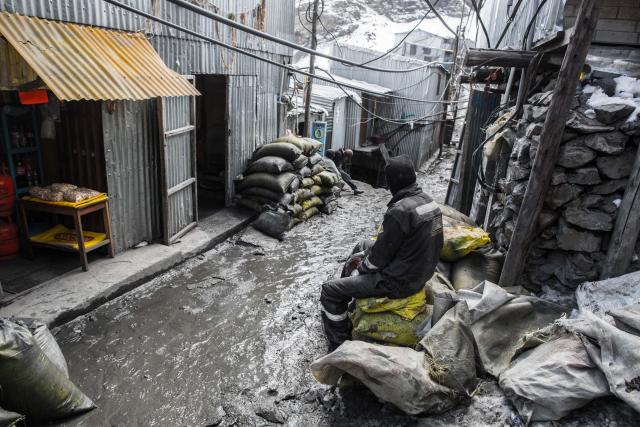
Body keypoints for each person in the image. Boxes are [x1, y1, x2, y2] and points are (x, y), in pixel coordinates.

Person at [319, 154, 444, 351]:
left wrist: (359, 271)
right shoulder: (429, 202)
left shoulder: (399, 211)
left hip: (397, 282)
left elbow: (376, 261)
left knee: (330, 290)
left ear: (393, 182)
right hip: (418, 271)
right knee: (362, 245)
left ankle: (338, 344)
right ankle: (350, 305)